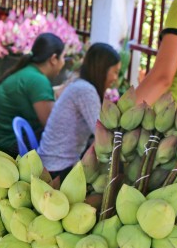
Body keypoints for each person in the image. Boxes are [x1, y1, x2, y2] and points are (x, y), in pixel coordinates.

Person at [38, 43, 121, 178]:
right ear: (102, 69)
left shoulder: (79, 83)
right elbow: (102, 133)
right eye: (115, 72)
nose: (116, 78)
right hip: (57, 168)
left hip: (53, 161)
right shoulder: (85, 90)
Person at [0, 33, 66, 156]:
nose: (63, 63)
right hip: (6, 146)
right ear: (53, 59)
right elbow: (52, 126)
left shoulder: (28, 71)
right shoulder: (38, 80)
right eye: (63, 57)